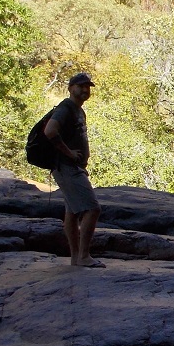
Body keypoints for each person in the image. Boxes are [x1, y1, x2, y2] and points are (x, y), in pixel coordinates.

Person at [45, 73, 103, 268]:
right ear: (70, 88)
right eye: (81, 86)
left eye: (88, 87)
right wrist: (68, 153)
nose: (85, 90)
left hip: (71, 167)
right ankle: (84, 256)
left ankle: (75, 258)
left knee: (72, 212)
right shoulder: (66, 108)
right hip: (67, 167)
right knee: (92, 208)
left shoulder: (78, 110)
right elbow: (50, 131)